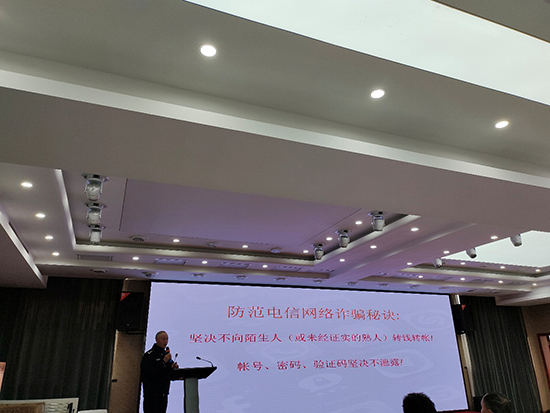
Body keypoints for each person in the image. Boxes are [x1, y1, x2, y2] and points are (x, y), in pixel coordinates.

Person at [141, 331, 179, 413]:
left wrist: (173, 367)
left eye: (167, 339)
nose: (165, 341)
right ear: (157, 340)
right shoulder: (149, 355)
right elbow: (149, 374)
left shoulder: (165, 354)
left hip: (163, 393)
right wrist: (163, 362)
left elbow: (168, 373)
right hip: (152, 395)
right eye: (163, 339)